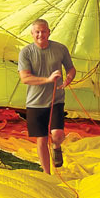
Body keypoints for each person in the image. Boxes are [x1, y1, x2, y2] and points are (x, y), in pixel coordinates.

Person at [18, 18, 75, 173]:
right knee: (41, 139)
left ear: (49, 32)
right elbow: (25, 78)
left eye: (43, 31)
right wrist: (48, 79)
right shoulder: (26, 52)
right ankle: (47, 173)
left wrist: (69, 78)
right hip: (35, 103)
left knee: (57, 135)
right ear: (32, 34)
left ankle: (57, 146)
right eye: (37, 32)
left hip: (55, 100)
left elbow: (71, 68)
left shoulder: (60, 49)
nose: (40, 34)